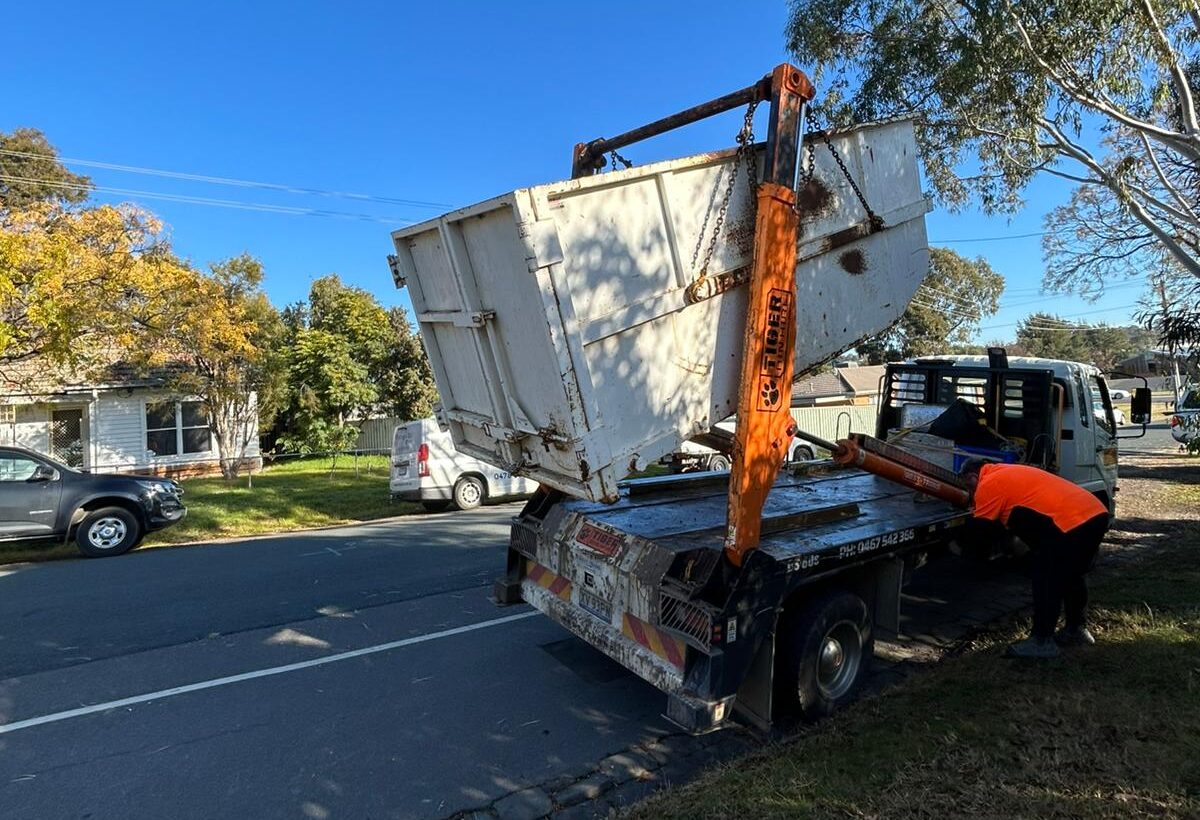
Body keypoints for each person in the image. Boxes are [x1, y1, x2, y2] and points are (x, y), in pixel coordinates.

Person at [959, 459, 1109, 659]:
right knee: (1074, 576)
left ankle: (1042, 641)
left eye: (969, 487)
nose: (971, 494)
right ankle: (1077, 630)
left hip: (1070, 523)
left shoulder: (988, 484)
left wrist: (960, 548)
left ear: (972, 476)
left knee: (1046, 577)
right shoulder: (1005, 471)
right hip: (1094, 513)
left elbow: (981, 531)